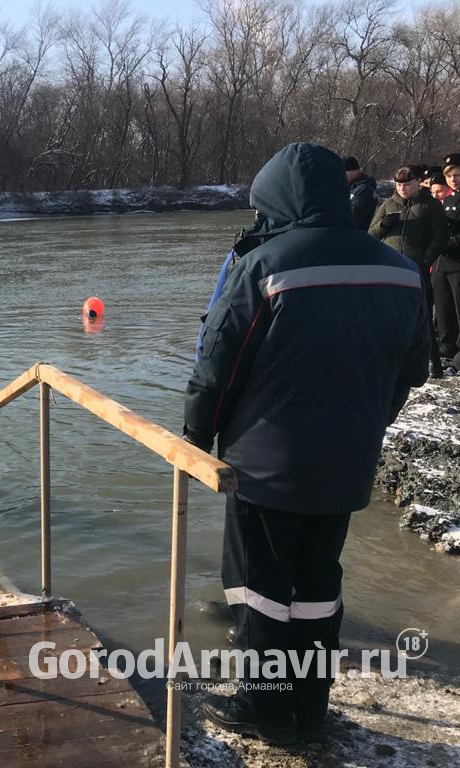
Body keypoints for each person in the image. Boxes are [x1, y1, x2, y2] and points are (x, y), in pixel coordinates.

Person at [185, 143, 429, 746]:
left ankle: (263, 709)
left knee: (259, 588)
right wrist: (367, 424)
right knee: (319, 585)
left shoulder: (264, 266)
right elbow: (411, 370)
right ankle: (310, 706)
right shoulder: (398, 268)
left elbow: (217, 370)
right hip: (347, 463)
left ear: (273, 198)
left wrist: (196, 440)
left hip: (265, 466)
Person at [369, 165, 446, 378]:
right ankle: (389, 358)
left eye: (407, 184)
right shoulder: (388, 204)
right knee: (388, 314)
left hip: (416, 265)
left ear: (417, 183)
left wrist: (426, 258)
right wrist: (384, 225)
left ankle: (432, 362)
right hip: (389, 265)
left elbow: (440, 235)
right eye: (399, 184)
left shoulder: (430, 205)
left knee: (421, 315)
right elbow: (370, 234)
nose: (402, 188)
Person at [432, 152, 460, 367]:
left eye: (458, 175)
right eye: (450, 176)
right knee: (443, 308)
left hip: (458, 261)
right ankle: (446, 347)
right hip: (443, 262)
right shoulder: (448, 199)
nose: (454, 179)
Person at [343, 155, 377, 229]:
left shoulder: (364, 190)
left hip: (355, 234)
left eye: (343, 173)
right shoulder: (351, 186)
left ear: (351, 171)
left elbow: (352, 215)